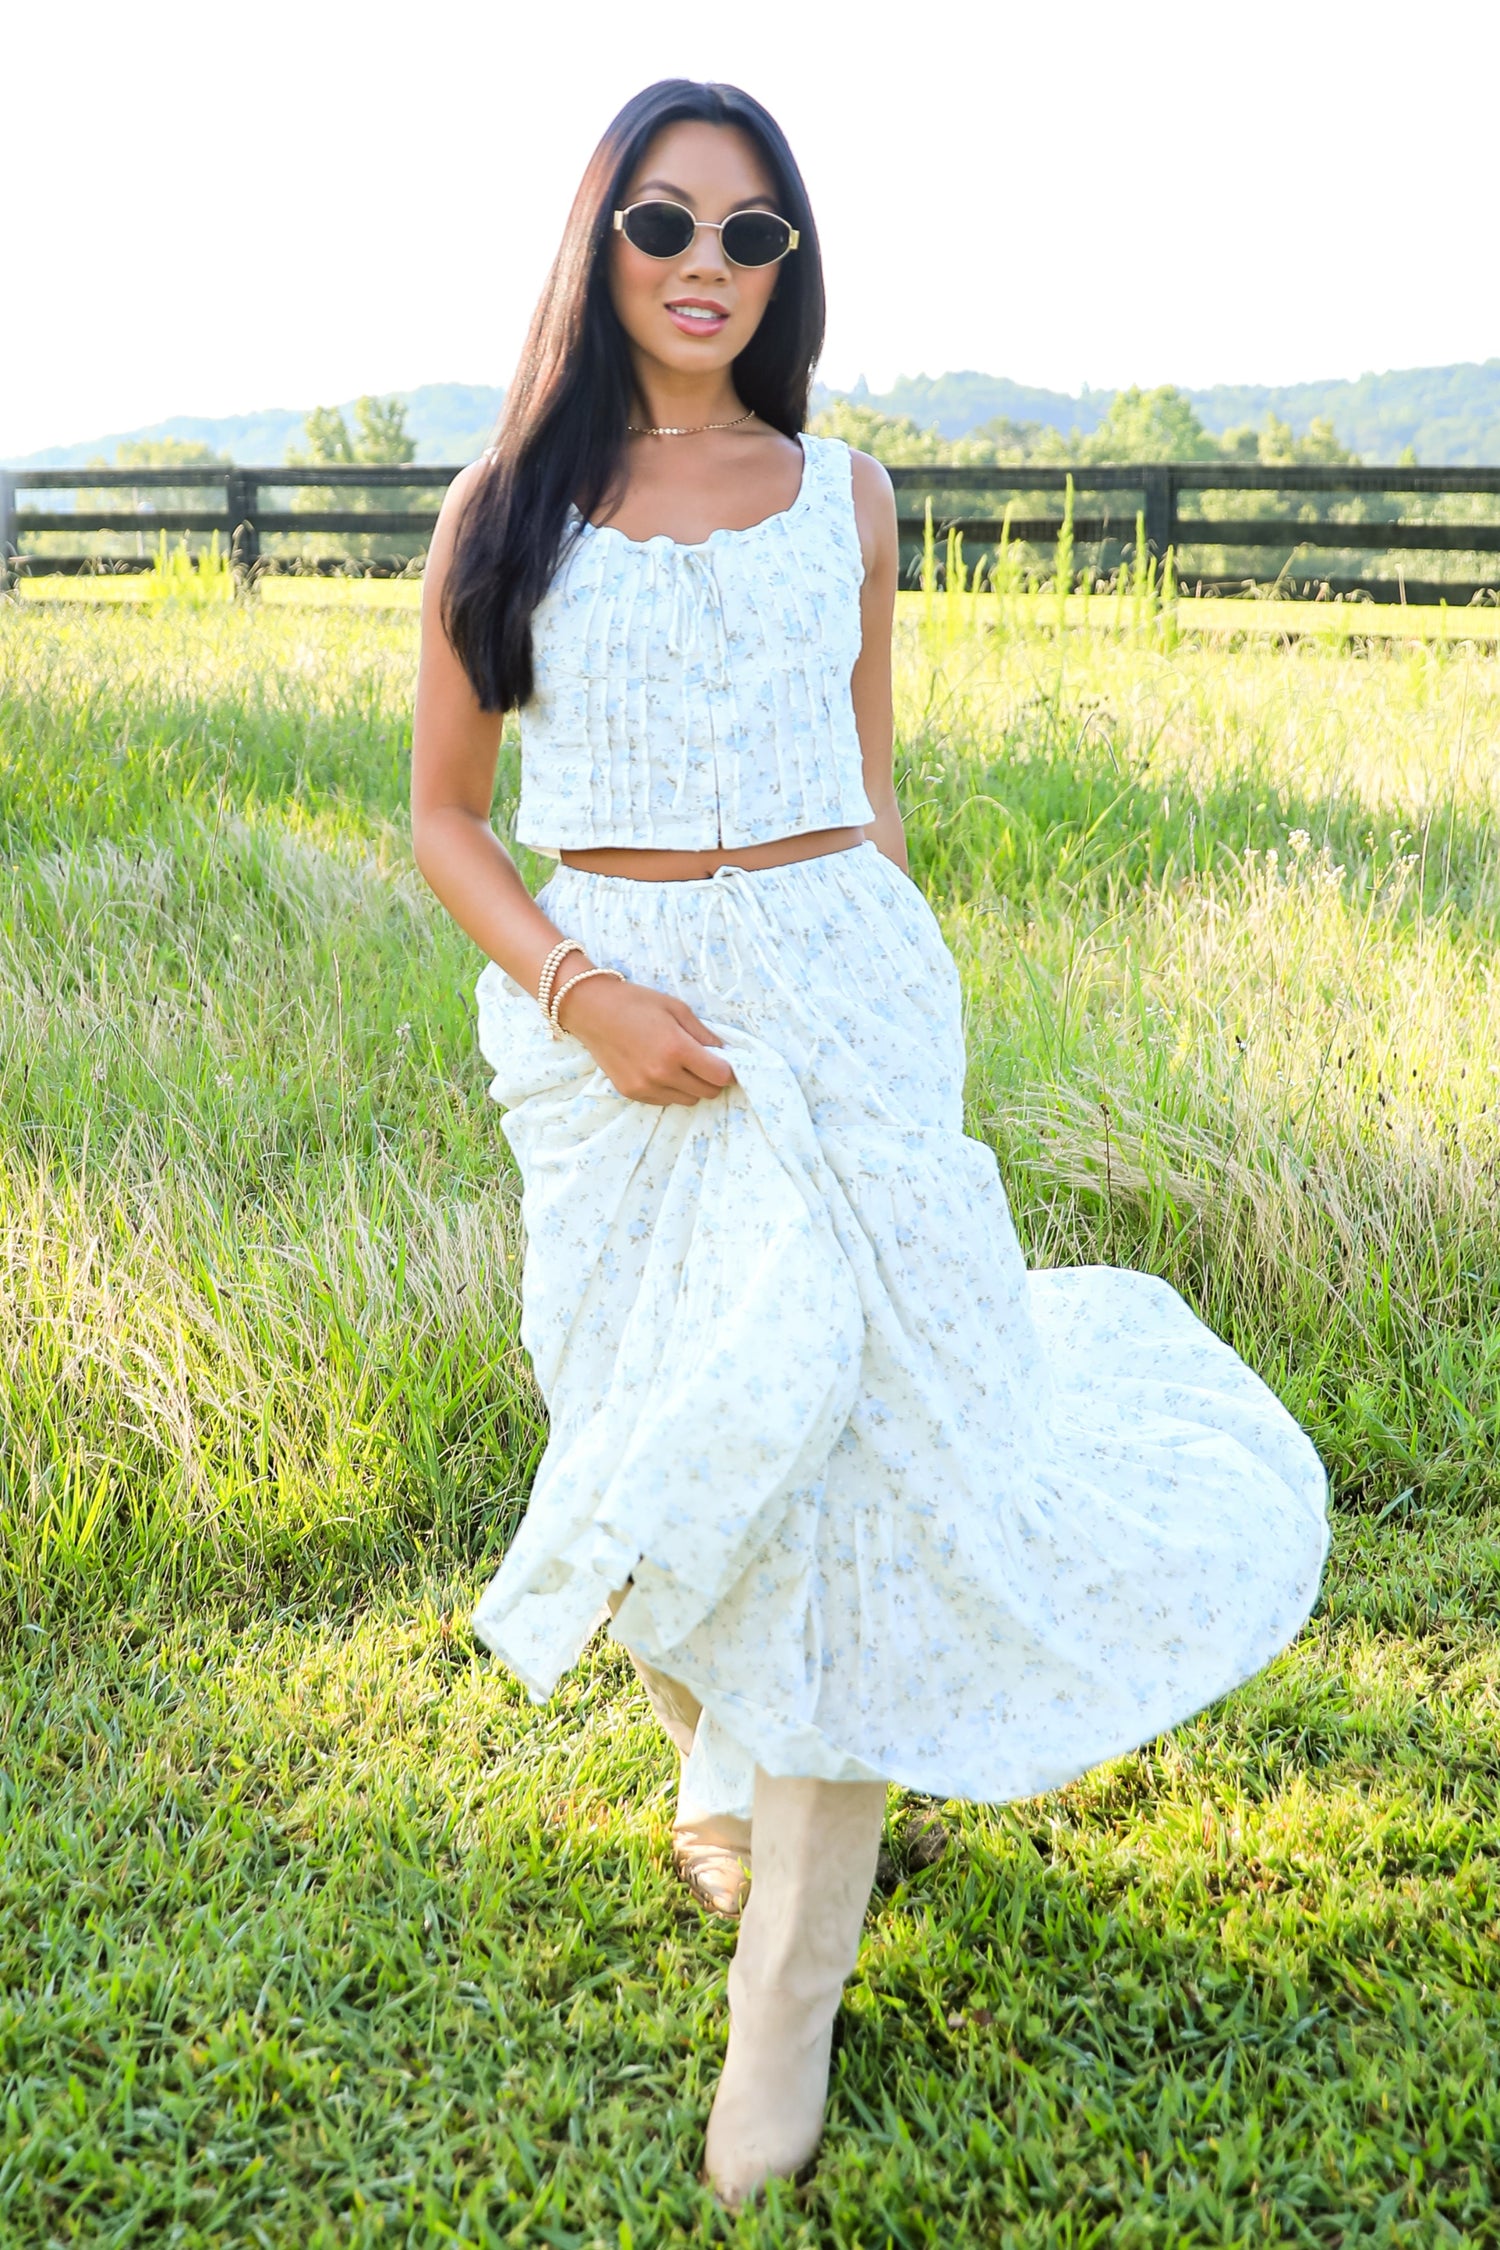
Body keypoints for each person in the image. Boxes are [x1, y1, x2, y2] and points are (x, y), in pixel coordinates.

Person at [409, 77, 1330, 2209]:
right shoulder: (500, 514)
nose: (709, 267)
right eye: (665, 224)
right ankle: (708, 1752)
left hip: (847, 1003)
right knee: (654, 1448)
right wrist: (590, 993)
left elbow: (872, 782)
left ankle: (787, 2009)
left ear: (789, 267)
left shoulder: (853, 492)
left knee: (847, 1473)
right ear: (600, 244)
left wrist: (885, 1009)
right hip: (615, 1032)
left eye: (752, 234)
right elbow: (453, 819)